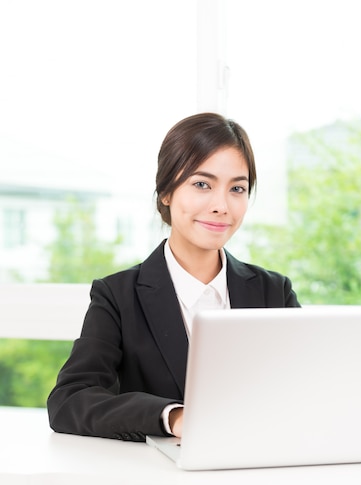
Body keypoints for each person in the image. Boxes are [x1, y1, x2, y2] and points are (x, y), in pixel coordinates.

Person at [47, 112, 300, 441]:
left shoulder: (273, 292)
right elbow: (69, 402)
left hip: (259, 472)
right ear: (166, 192)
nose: (221, 205)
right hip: (159, 481)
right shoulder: (118, 296)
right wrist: (174, 417)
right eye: (201, 185)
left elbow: (305, 389)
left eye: (237, 188)